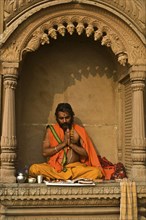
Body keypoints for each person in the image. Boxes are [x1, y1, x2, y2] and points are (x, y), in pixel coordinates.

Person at [29, 103, 104, 181]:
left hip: (74, 169)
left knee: (96, 172)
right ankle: (67, 178)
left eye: (67, 117)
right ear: (57, 118)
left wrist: (71, 144)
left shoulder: (78, 130)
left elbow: (85, 154)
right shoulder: (51, 130)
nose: (64, 121)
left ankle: (59, 178)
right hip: (55, 169)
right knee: (34, 169)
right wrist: (63, 144)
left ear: (72, 116)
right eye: (61, 118)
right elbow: (45, 153)